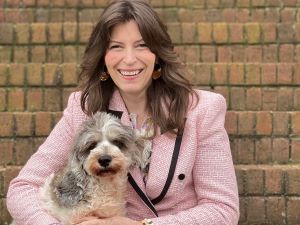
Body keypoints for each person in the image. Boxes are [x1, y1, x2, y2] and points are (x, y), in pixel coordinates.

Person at [6, 0, 240, 224]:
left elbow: (222, 210)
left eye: (141, 45)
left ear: (158, 54)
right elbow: (22, 188)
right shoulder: (83, 108)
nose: (129, 60)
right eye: (116, 47)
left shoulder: (203, 109)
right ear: (103, 58)